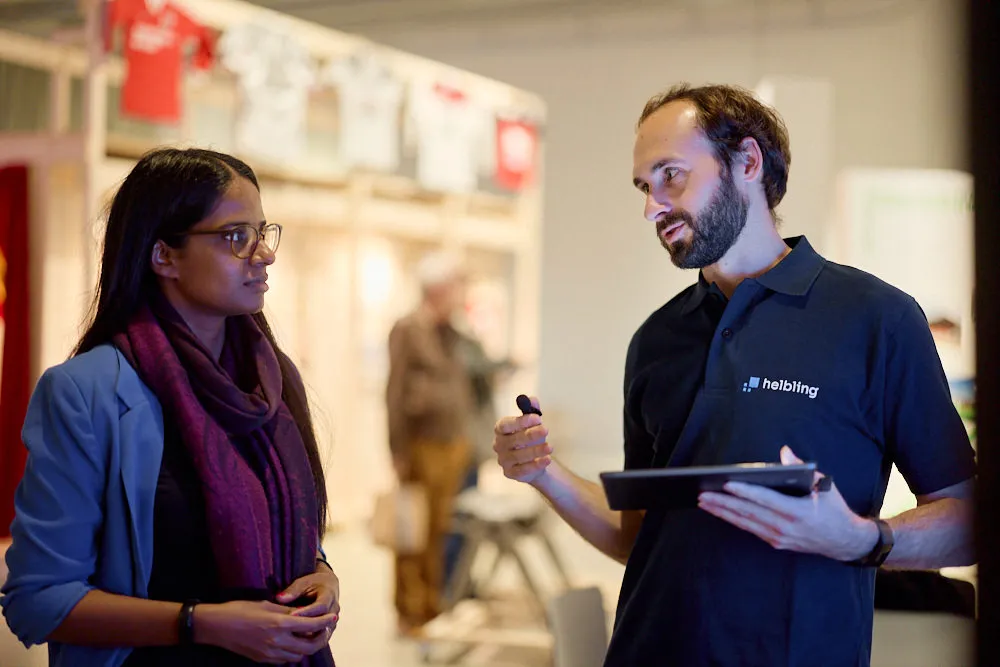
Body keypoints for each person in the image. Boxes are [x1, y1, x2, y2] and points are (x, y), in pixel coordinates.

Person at [492, 84, 976, 667]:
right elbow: (638, 538)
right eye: (645, 187)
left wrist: (861, 539)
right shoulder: (655, 340)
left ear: (747, 162)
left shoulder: (876, 318)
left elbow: (966, 521)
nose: (652, 206)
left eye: (671, 175)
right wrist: (543, 474)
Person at [1, 148, 340, 666]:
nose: (264, 254)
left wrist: (321, 574)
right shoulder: (86, 393)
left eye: (262, 233)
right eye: (236, 237)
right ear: (164, 255)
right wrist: (199, 623)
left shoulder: (270, 379)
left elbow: (285, 529)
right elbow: (37, 599)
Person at [385, 251, 473, 635]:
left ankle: (432, 606)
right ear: (437, 288)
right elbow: (394, 391)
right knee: (413, 532)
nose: (460, 293)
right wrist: (397, 449)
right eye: (455, 286)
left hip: (452, 444)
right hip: (421, 445)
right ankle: (409, 610)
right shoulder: (408, 328)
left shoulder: (451, 332)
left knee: (440, 530)